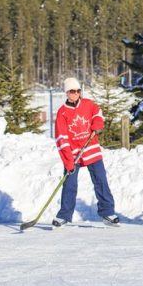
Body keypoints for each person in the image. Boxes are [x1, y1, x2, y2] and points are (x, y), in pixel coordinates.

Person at [52, 77, 119, 228]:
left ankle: (107, 212)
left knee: (101, 180)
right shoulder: (62, 113)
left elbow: (98, 113)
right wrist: (68, 160)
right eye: (72, 91)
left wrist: (97, 123)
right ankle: (64, 215)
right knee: (69, 184)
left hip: (91, 148)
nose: (75, 94)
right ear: (66, 93)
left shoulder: (88, 104)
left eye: (77, 91)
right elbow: (61, 138)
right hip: (74, 154)